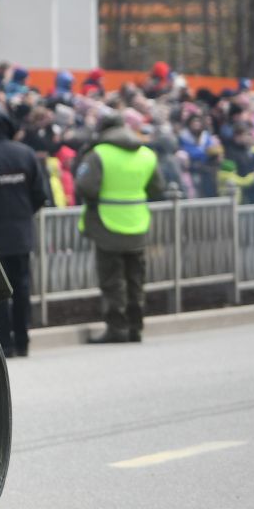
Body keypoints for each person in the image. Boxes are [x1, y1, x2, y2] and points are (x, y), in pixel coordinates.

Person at [0, 104, 51, 358]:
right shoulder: (26, 154)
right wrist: (23, 213)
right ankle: (23, 340)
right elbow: (40, 194)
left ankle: (4, 343)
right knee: (22, 287)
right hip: (20, 232)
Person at [76, 110, 167, 344]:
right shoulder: (147, 154)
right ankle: (136, 327)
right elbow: (158, 187)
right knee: (136, 279)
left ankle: (117, 328)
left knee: (112, 280)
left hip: (108, 226)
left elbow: (86, 187)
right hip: (137, 224)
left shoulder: (99, 154)